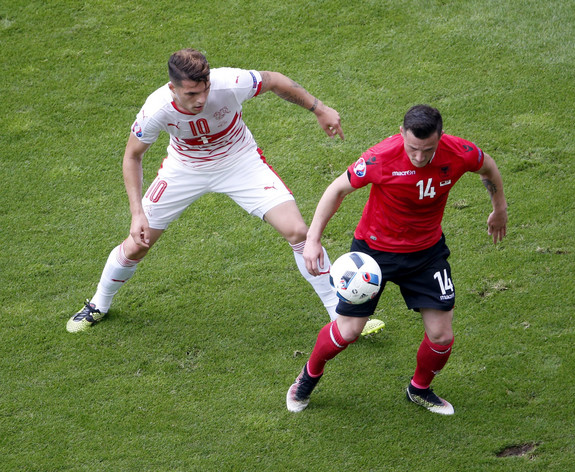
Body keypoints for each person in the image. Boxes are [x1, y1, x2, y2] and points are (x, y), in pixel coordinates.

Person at [66, 48, 384, 335]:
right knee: (137, 245)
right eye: (191, 93)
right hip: (184, 170)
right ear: (172, 87)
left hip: (240, 162)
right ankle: (98, 304)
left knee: (298, 231)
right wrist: (137, 214)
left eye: (203, 90)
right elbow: (132, 156)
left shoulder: (229, 82)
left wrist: (319, 108)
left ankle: (338, 316)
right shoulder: (156, 110)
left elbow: (274, 80)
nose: (201, 99)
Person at [286, 104, 508, 414]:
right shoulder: (381, 157)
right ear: (401, 133)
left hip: (427, 254)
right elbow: (337, 189)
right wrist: (313, 239)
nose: (419, 157)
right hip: (373, 254)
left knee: (442, 336)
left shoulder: (459, 152)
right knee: (348, 330)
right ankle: (308, 377)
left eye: (427, 150)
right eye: (413, 148)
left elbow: (489, 167)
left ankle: (419, 389)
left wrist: (499, 208)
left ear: (440, 138)